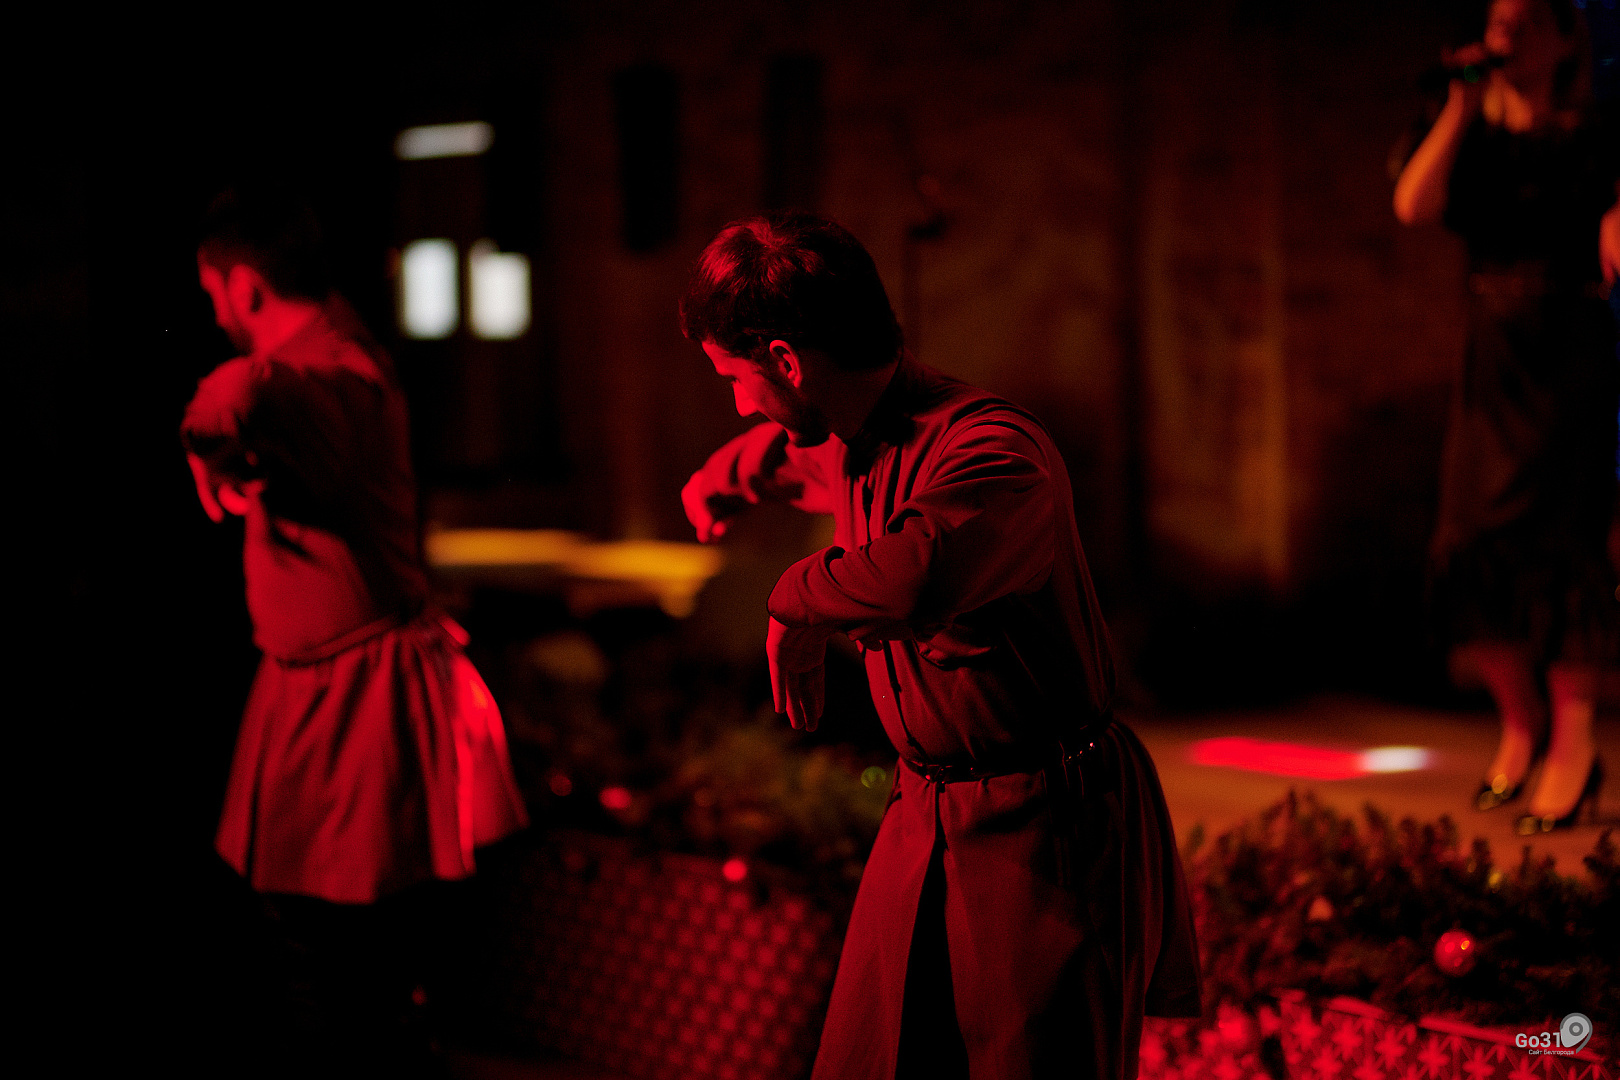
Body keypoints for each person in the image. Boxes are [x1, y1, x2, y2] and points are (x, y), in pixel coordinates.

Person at [679, 213, 1200, 1080]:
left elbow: (914, 575)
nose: (737, 401)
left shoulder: (995, 457)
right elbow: (785, 454)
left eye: (735, 378)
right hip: (923, 817)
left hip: (1044, 832)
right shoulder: (851, 437)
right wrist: (718, 481)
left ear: (787, 361)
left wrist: (793, 601)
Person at [181, 187, 529, 1071]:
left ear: (246, 287)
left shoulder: (328, 369)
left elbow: (239, 391)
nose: (213, 315)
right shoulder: (329, 348)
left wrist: (205, 445)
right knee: (335, 955)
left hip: (357, 695)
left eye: (213, 294)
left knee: (346, 959)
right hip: (318, 684)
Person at [1393, 0, 1619, 832]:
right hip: (1493, 354)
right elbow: (1414, 205)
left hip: (1571, 351)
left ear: (1562, 39)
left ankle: (1575, 746)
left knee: (1565, 543)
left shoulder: (1596, 132)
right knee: (1471, 541)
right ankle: (1522, 726)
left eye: (1525, 24)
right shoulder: (1472, 131)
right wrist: (1459, 105)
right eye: (1498, 21)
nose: (1505, 37)